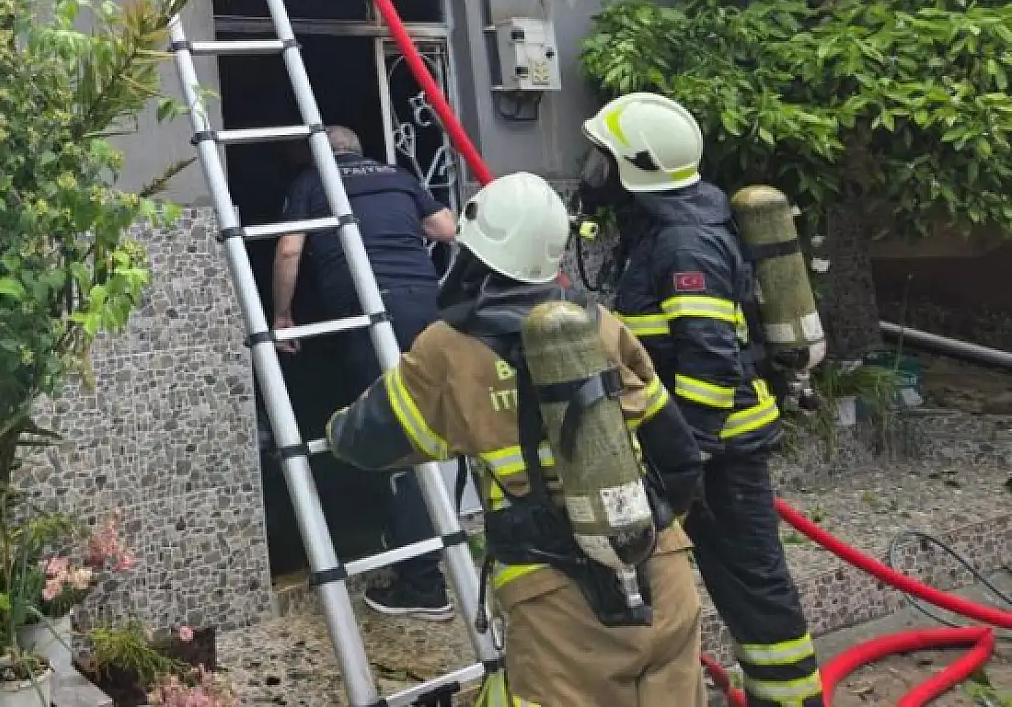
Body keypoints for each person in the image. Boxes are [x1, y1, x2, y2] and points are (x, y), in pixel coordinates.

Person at [327, 172, 707, 707]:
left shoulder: (447, 349)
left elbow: (363, 439)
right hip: (663, 574)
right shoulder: (601, 324)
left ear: (473, 254)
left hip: (557, 602)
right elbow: (680, 455)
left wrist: (337, 428)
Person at [580, 92, 823, 707]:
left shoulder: (684, 244)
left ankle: (791, 699)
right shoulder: (658, 228)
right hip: (697, 447)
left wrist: (685, 458)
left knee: (754, 589)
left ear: (634, 168)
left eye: (602, 159)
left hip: (719, 451)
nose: (593, 172)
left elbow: (710, 360)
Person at [272, 126, 459, 618]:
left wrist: (283, 315)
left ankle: (423, 583)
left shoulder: (313, 181)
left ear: (319, 152)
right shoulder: (397, 176)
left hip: (372, 316)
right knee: (428, 425)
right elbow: (446, 228)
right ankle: (431, 544)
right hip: (427, 311)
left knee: (391, 436)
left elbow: (289, 248)